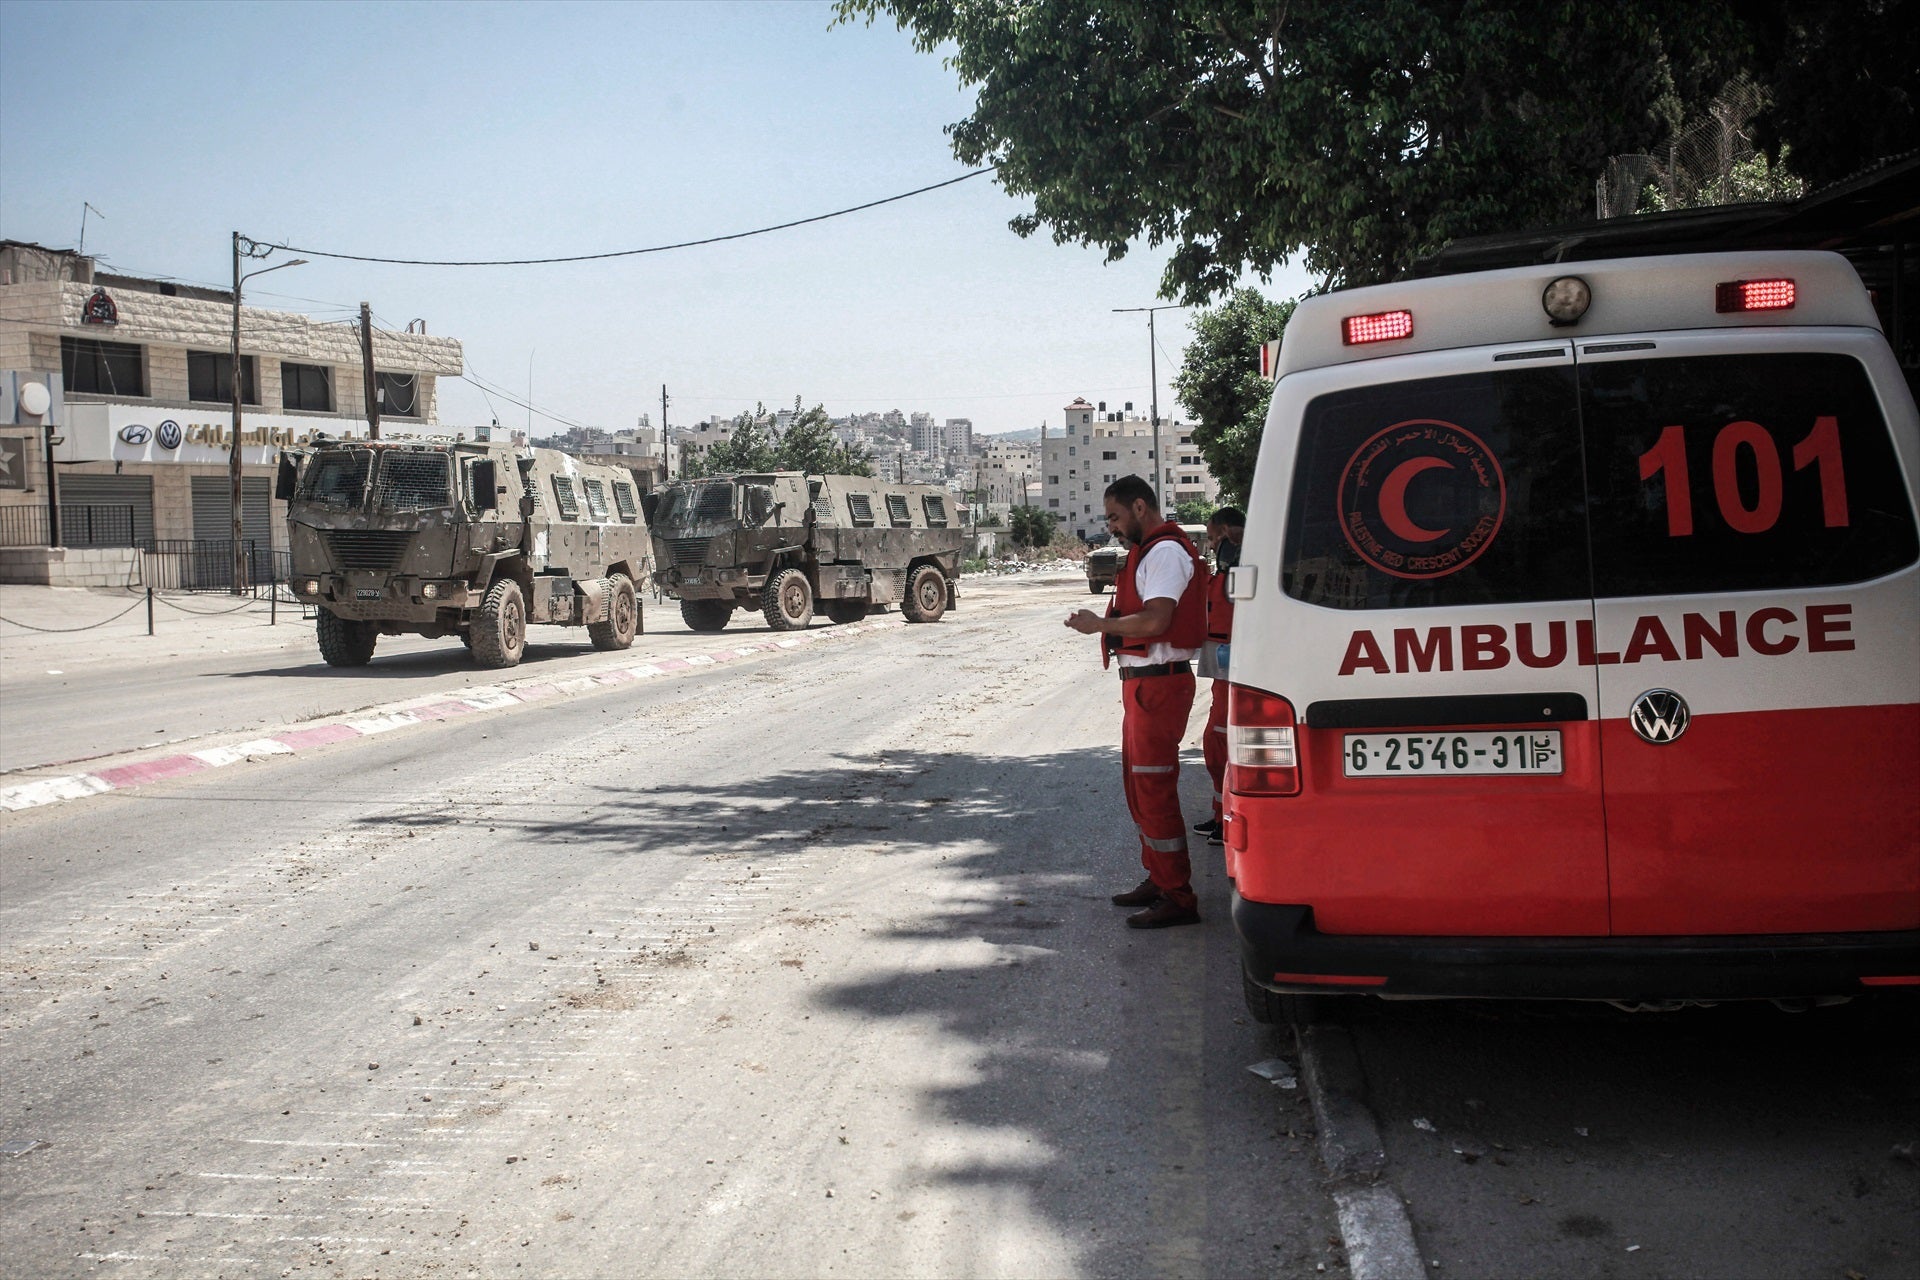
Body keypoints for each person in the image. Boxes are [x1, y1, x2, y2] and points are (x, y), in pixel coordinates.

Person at [1065, 476, 1210, 928]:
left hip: (1159, 685)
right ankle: (1159, 877)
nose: (1111, 526)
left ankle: (1178, 896)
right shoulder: (1148, 552)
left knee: (1154, 787)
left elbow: (1156, 619)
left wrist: (1098, 627)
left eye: (1114, 516)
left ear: (1140, 508)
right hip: (1145, 685)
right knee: (1139, 787)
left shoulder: (1165, 553)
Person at [1194, 507, 1245, 847]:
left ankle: (1228, 819)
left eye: (1213, 539)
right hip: (1222, 667)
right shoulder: (1230, 569)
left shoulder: (1244, 564)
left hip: (1234, 666)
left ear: (1227, 532)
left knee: (1219, 742)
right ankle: (1219, 816)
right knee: (1217, 742)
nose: (1212, 546)